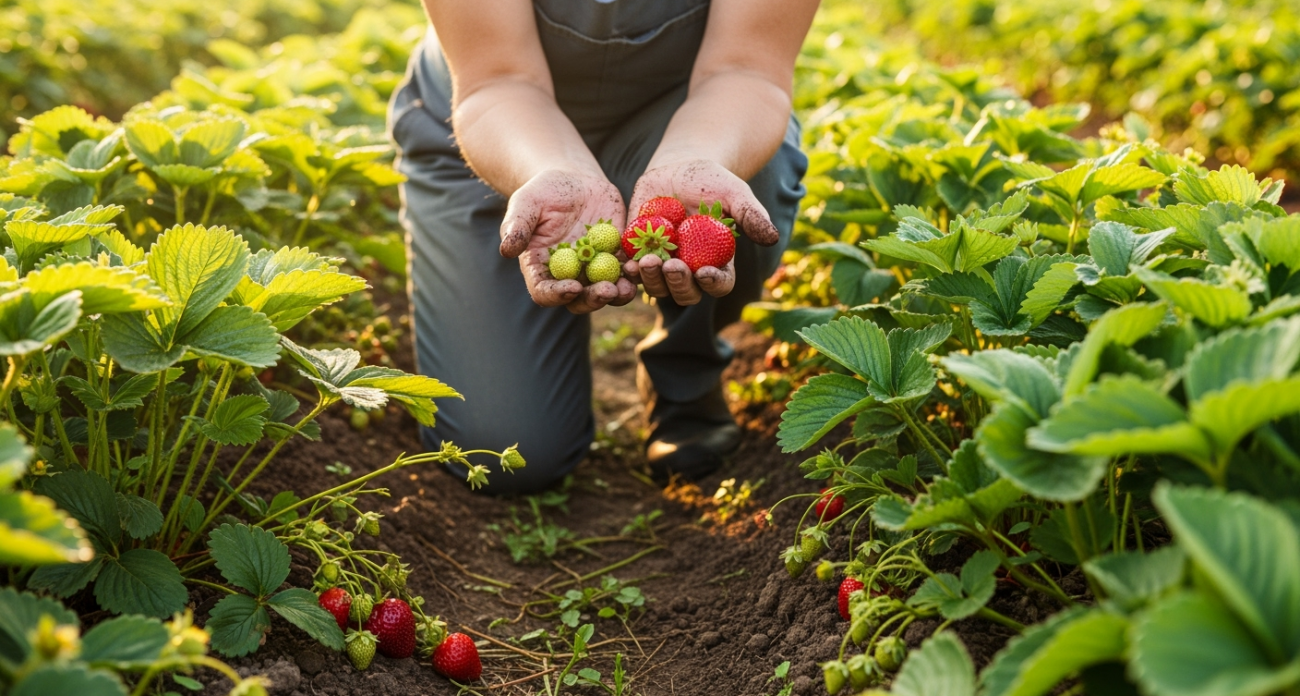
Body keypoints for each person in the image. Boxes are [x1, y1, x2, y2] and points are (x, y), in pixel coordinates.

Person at [389, 0, 819, 495]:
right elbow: (498, 78)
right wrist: (550, 170)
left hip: (691, 112)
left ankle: (687, 370)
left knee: (734, 191)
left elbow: (745, 68)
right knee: (510, 452)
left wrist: (694, 157)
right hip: (498, 127)